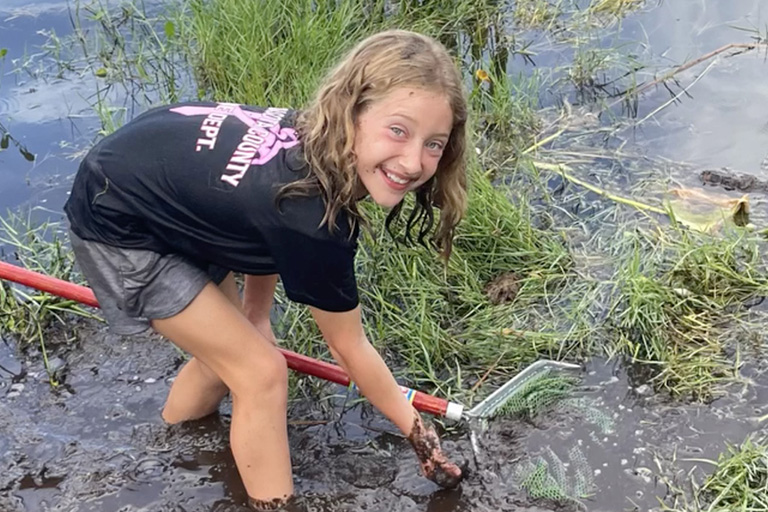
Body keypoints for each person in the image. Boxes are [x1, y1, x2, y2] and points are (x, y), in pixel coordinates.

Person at [64, 29, 468, 510]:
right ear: (351, 113)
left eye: (434, 144)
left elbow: (263, 223)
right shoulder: (314, 218)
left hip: (169, 192)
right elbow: (349, 346)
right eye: (398, 131)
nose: (414, 161)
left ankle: (173, 447)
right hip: (120, 219)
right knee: (261, 374)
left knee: (231, 354)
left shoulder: (317, 142)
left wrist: (255, 315)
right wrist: (419, 434)